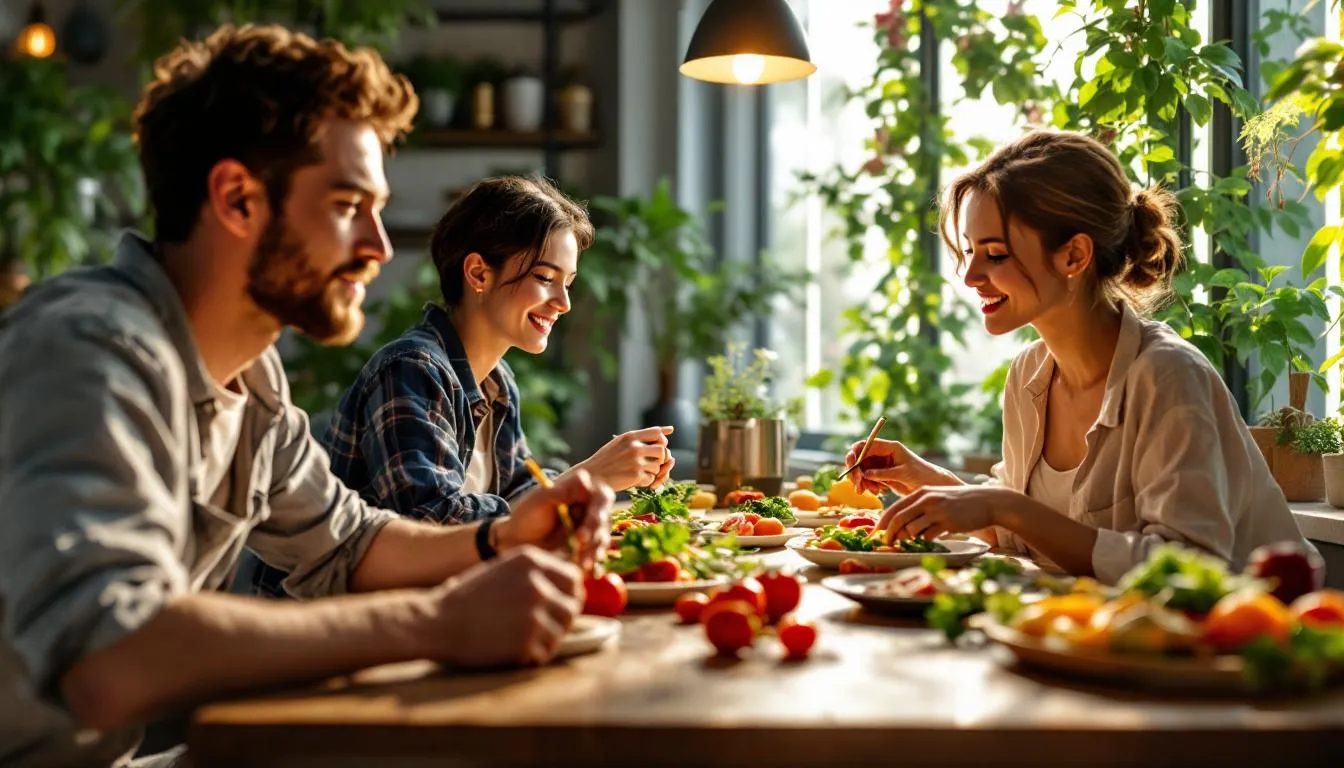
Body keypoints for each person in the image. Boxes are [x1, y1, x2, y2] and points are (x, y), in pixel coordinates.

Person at [0, 25, 611, 768]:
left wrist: (501, 536)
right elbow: (108, 658)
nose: (381, 247)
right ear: (237, 198)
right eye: (350, 203)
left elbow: (350, 543)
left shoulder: (254, 379)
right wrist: (434, 622)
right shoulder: (89, 351)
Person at [844, 129, 1311, 583]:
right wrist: (929, 480)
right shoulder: (1030, 374)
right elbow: (1021, 534)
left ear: (1074, 256)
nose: (969, 275)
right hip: (1098, 643)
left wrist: (1002, 505)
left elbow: (1190, 568)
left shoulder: (1167, 375)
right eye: (968, 251)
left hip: (1238, 650)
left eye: (996, 254)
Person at [243, 175, 673, 594]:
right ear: (479, 274)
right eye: (545, 278)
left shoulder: (497, 382)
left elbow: (520, 495)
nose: (563, 303)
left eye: (568, 284)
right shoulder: (411, 368)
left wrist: (596, 483)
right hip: (329, 630)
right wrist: (585, 479)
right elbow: (429, 522)